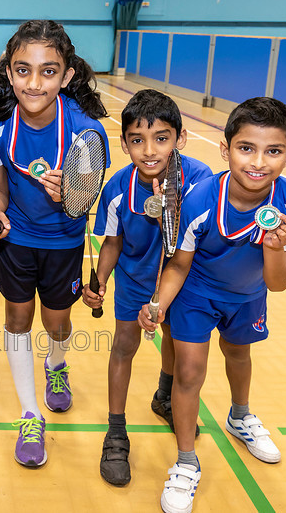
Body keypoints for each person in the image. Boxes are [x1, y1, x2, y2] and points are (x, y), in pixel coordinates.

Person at [137, 97, 286, 513]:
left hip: (251, 295)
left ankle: (240, 416)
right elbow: (179, 264)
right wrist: (159, 303)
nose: (258, 162)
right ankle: (185, 461)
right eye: (246, 148)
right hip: (197, 295)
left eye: (273, 151)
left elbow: (280, 282)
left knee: (238, 353)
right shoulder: (200, 199)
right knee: (189, 372)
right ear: (225, 148)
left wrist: (276, 246)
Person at [0, 19, 109, 467]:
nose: (34, 83)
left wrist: (71, 194)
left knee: (57, 324)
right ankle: (29, 413)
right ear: (9, 72)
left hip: (64, 244)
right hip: (15, 241)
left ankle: (56, 365)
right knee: (17, 319)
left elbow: (87, 195)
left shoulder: (86, 131)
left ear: (67, 75)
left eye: (48, 71)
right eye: (23, 70)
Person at [81, 89, 212, 485]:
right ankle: (116, 431)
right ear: (124, 144)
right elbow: (114, 242)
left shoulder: (201, 180)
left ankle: (164, 395)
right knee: (124, 346)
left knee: (174, 338)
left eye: (162, 138)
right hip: (136, 280)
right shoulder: (118, 188)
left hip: (185, 282)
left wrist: (170, 218)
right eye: (137, 140)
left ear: (180, 139)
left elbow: (196, 242)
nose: (149, 151)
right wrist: (100, 280)